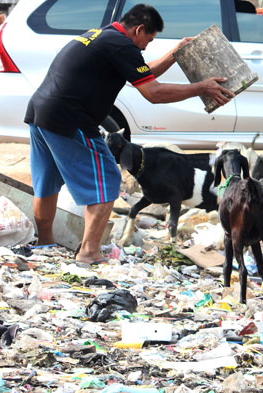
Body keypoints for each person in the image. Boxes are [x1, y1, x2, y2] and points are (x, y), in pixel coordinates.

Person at [23, 4, 235, 264]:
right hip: (71, 118)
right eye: (149, 39)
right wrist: (201, 87)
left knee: (46, 184)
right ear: (139, 29)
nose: (145, 46)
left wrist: (174, 54)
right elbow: (153, 93)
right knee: (108, 180)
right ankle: (89, 252)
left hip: (41, 113)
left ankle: (44, 244)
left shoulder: (103, 37)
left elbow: (144, 75)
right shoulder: (123, 46)